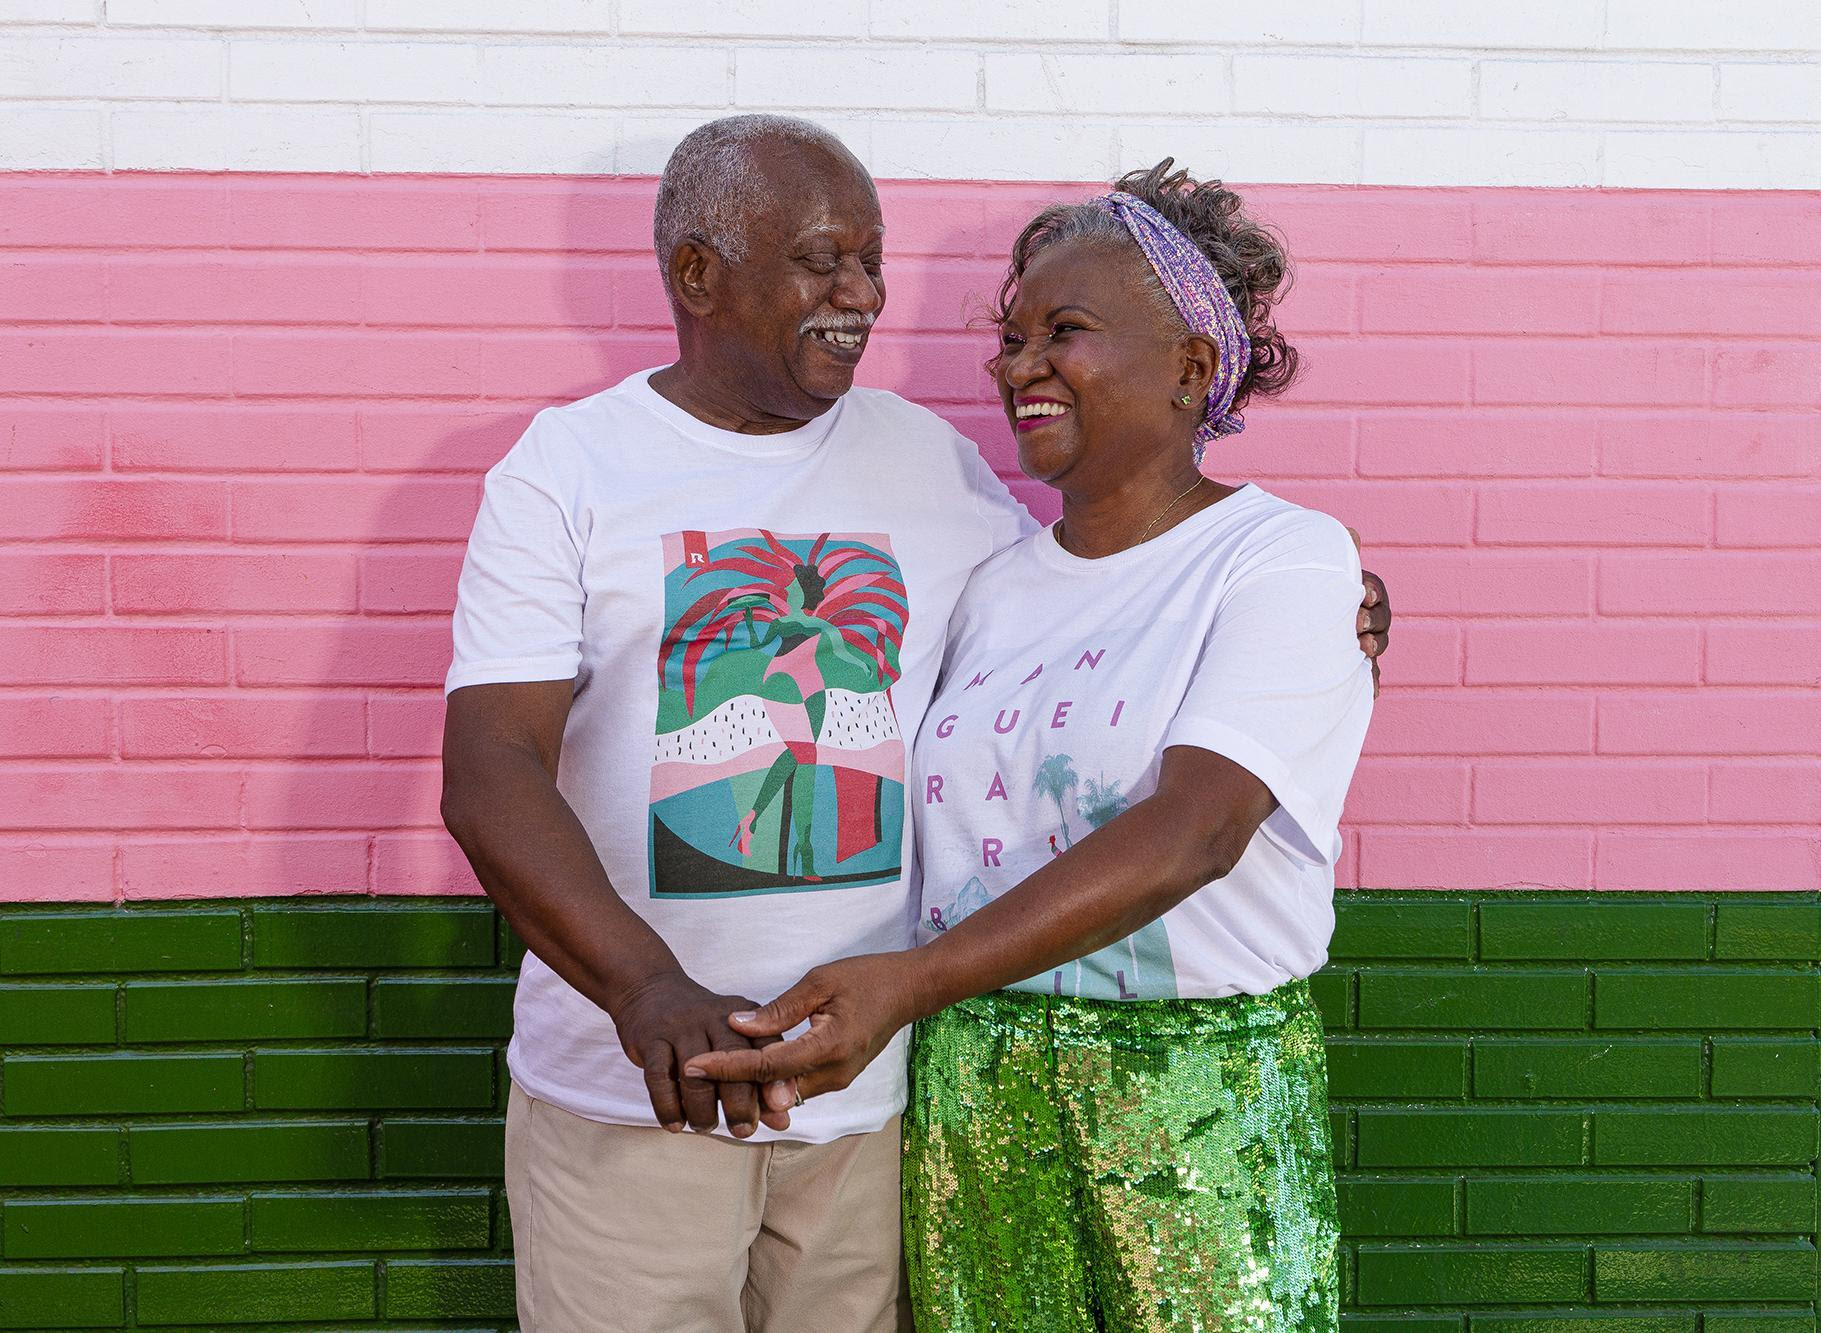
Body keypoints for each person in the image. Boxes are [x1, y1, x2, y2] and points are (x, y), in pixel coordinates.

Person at [441, 116, 1388, 1332]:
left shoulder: (941, 474)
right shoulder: (565, 469)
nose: (862, 295)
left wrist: (1336, 609)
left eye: (873, 261)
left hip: (874, 1113)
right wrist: (643, 990)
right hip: (634, 1102)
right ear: (698, 275)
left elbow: (1128, 602)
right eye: (824, 259)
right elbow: (490, 773)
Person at [689, 161, 1371, 1331]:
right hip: (976, 1085)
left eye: (1064, 331)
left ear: (1194, 368)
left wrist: (907, 985)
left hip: (1192, 1090)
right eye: (1009, 337)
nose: (1015, 366)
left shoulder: (1284, 560)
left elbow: (1199, 829)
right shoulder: (991, 581)